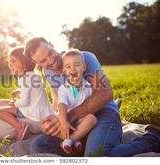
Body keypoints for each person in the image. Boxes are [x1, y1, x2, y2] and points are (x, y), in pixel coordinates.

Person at [24, 37, 160, 156]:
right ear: (38, 64)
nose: (51, 60)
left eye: (50, 53)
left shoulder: (84, 58)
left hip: (104, 113)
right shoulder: (47, 72)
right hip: (77, 122)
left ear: (52, 45)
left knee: (96, 156)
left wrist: (67, 118)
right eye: (43, 60)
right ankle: (83, 148)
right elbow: (59, 100)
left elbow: (104, 94)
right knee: (39, 146)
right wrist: (54, 121)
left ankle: (152, 138)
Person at [0, 47, 54, 141]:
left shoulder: (25, 78)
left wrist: (15, 103)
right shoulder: (35, 75)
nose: (10, 64)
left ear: (24, 64)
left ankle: (21, 128)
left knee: (0, 111)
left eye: (13, 61)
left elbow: (24, 102)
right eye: (9, 61)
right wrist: (18, 92)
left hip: (34, 114)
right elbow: (30, 92)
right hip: (44, 112)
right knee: (11, 106)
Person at [58, 50, 97, 154]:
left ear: (84, 67)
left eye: (77, 65)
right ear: (64, 70)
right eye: (68, 66)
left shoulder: (88, 87)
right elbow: (62, 105)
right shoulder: (63, 88)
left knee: (92, 118)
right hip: (68, 119)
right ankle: (75, 140)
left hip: (81, 120)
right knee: (57, 122)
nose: (73, 69)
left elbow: (92, 105)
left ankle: (70, 140)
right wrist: (63, 122)